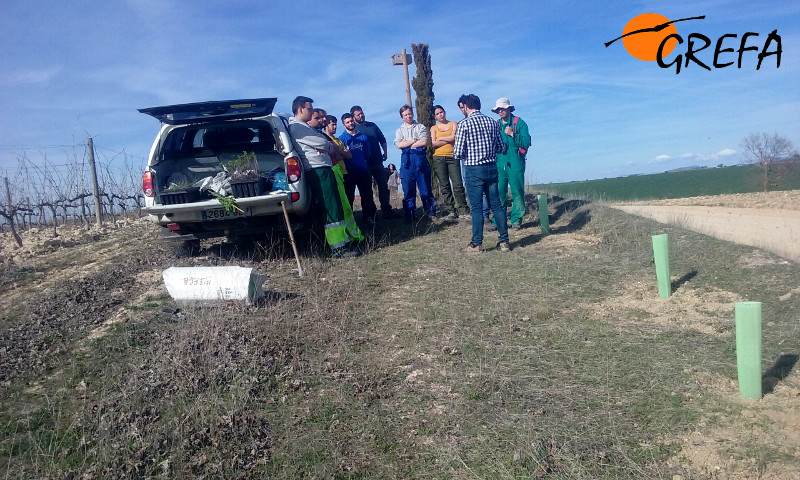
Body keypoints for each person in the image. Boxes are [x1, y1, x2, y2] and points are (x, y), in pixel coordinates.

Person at [287, 96, 360, 258]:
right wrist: (327, 146)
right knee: (331, 207)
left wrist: (326, 146)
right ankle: (339, 248)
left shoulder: (303, 126)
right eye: (310, 109)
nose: (312, 111)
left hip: (324, 169)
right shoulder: (297, 127)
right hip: (318, 170)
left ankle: (342, 242)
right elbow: (323, 143)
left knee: (334, 206)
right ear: (300, 109)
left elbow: (323, 143)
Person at [453, 94, 511, 253]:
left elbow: (457, 153)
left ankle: (476, 243)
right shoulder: (492, 122)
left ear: (466, 106)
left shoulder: (464, 124)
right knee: (497, 205)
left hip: (473, 169)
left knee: (477, 207)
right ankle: (504, 241)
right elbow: (501, 147)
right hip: (491, 167)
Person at [322, 113, 365, 241]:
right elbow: (337, 156)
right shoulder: (326, 139)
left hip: (345, 174)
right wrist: (341, 154)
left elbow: (349, 156)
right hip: (336, 174)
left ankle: (352, 230)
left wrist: (341, 154)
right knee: (343, 205)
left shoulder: (338, 140)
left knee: (349, 202)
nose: (334, 127)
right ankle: (346, 233)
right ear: (326, 125)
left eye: (335, 124)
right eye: (332, 124)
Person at [350, 105, 399, 219]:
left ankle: (387, 211)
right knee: (367, 190)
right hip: (364, 164)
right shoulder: (354, 129)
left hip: (377, 162)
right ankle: (371, 214)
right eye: (358, 114)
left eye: (361, 113)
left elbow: (382, 139)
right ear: (353, 117)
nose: (361, 115)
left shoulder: (372, 126)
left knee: (383, 187)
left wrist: (385, 152)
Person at [492, 98, 531, 230]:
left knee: (517, 192)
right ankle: (498, 221)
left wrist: (513, 134)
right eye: (498, 109)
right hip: (499, 164)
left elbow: (526, 142)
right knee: (499, 193)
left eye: (502, 108)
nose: (500, 111)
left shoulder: (519, 123)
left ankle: (516, 220)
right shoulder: (496, 125)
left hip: (515, 163)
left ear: (509, 108)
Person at [394, 105, 435, 221]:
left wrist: (407, 143)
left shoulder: (420, 127)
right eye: (405, 115)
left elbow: (423, 142)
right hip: (407, 162)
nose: (408, 116)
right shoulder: (400, 130)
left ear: (413, 114)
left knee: (425, 189)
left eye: (410, 113)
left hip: (420, 159)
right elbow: (399, 145)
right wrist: (413, 141)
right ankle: (410, 216)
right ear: (402, 117)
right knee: (408, 191)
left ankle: (430, 213)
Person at [338, 112, 378, 225]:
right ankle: (350, 220)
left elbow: (367, 153)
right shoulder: (341, 139)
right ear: (344, 124)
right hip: (349, 172)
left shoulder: (363, 137)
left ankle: (368, 217)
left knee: (366, 196)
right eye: (347, 122)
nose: (350, 123)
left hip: (363, 171)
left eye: (351, 121)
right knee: (349, 197)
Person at [430, 105, 468, 219]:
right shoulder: (434, 128)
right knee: (444, 184)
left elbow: (456, 138)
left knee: (457, 183)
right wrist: (448, 138)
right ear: (434, 116)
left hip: (453, 157)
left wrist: (441, 138)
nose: (440, 115)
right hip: (438, 158)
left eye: (441, 112)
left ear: (444, 112)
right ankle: (451, 209)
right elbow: (434, 143)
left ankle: (463, 209)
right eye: (437, 114)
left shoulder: (453, 124)